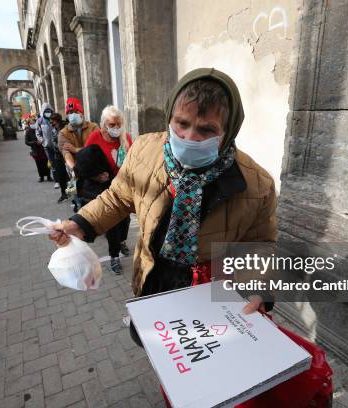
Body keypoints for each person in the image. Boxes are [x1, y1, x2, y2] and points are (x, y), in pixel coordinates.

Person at [49, 68, 277, 342]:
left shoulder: (258, 184)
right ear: (170, 116)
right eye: (181, 123)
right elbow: (117, 197)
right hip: (151, 278)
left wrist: (259, 288)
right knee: (157, 349)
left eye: (207, 130)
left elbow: (260, 245)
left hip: (209, 296)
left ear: (229, 132)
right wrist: (81, 223)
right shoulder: (145, 150)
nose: (190, 137)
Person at [83, 105, 134, 274]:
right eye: (112, 124)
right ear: (104, 124)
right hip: (104, 187)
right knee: (112, 223)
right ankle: (114, 256)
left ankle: (121, 241)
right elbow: (85, 162)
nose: (116, 128)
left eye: (118, 124)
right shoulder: (95, 138)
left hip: (123, 185)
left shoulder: (125, 137)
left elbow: (133, 160)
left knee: (125, 220)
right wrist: (96, 176)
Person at [58, 98, 99, 211]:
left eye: (76, 112)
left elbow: (96, 149)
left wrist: (76, 150)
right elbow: (66, 153)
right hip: (77, 171)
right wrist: (74, 169)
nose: (73, 115)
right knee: (80, 200)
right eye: (70, 113)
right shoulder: (63, 133)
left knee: (97, 200)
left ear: (82, 113)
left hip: (94, 168)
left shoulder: (93, 128)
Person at [36, 103, 69, 202]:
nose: (51, 123)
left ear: (57, 121)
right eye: (50, 122)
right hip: (55, 152)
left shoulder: (66, 128)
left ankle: (74, 193)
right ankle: (63, 191)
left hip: (67, 153)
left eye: (53, 122)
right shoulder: (41, 121)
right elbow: (38, 133)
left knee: (71, 172)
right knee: (56, 168)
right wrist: (42, 141)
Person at [24, 114, 51, 182]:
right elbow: (26, 142)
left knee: (46, 163)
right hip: (36, 151)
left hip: (43, 148)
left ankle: (48, 176)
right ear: (29, 124)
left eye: (34, 122)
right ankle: (41, 177)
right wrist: (35, 142)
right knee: (39, 164)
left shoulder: (39, 128)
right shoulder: (28, 131)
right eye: (31, 123)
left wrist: (42, 141)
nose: (33, 123)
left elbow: (46, 136)